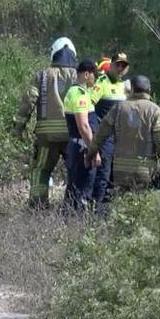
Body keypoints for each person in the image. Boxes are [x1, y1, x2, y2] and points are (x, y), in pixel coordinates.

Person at [13, 37, 78, 208]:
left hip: (46, 137)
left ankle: (38, 206)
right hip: (74, 135)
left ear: (53, 54)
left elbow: (29, 102)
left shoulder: (42, 75)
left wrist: (18, 128)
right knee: (76, 171)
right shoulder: (82, 75)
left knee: (41, 170)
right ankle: (74, 206)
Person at [87, 75, 160, 193]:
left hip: (120, 170)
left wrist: (90, 154)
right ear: (149, 90)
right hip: (144, 170)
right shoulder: (154, 110)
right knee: (141, 205)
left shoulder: (119, 108)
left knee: (121, 204)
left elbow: (101, 134)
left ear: (131, 88)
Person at [90, 52, 130, 214]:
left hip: (120, 139)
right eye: (118, 65)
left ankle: (108, 210)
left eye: (124, 66)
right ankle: (96, 212)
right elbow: (88, 108)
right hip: (105, 138)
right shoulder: (101, 83)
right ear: (111, 65)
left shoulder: (124, 87)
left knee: (116, 175)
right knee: (103, 174)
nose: (120, 68)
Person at [63, 59, 101, 212]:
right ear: (87, 74)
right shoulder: (80, 95)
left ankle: (67, 220)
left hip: (76, 145)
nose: (95, 79)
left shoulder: (73, 91)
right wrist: (94, 151)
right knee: (82, 188)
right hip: (82, 148)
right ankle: (76, 223)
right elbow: (83, 126)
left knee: (73, 187)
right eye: (94, 75)